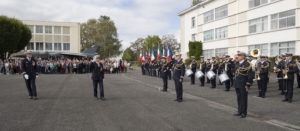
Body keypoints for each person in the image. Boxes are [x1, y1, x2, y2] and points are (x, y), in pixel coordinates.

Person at [233, 52, 253, 118]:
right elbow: (235, 72)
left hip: (243, 84)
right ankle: (239, 111)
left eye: (239, 55)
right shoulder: (236, 63)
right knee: (239, 98)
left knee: (243, 98)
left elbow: (250, 75)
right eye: (237, 55)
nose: (237, 56)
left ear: (243, 56)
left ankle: (244, 112)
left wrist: (248, 84)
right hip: (237, 83)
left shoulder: (247, 64)